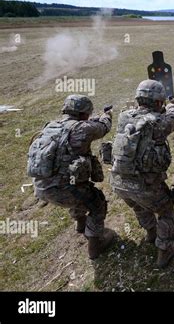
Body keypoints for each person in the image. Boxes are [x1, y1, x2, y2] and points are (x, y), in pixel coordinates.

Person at [28, 94, 115, 259]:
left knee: (78, 191)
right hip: (63, 191)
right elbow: (104, 128)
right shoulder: (83, 128)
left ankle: (80, 224)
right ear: (84, 114)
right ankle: (95, 246)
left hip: (42, 187)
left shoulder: (50, 126)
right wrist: (107, 115)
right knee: (97, 202)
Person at [110, 80, 174, 268]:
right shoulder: (158, 122)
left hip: (119, 182)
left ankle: (151, 232)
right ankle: (165, 250)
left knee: (139, 206)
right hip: (144, 185)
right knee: (165, 211)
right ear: (158, 102)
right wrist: (172, 105)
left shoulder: (124, 116)